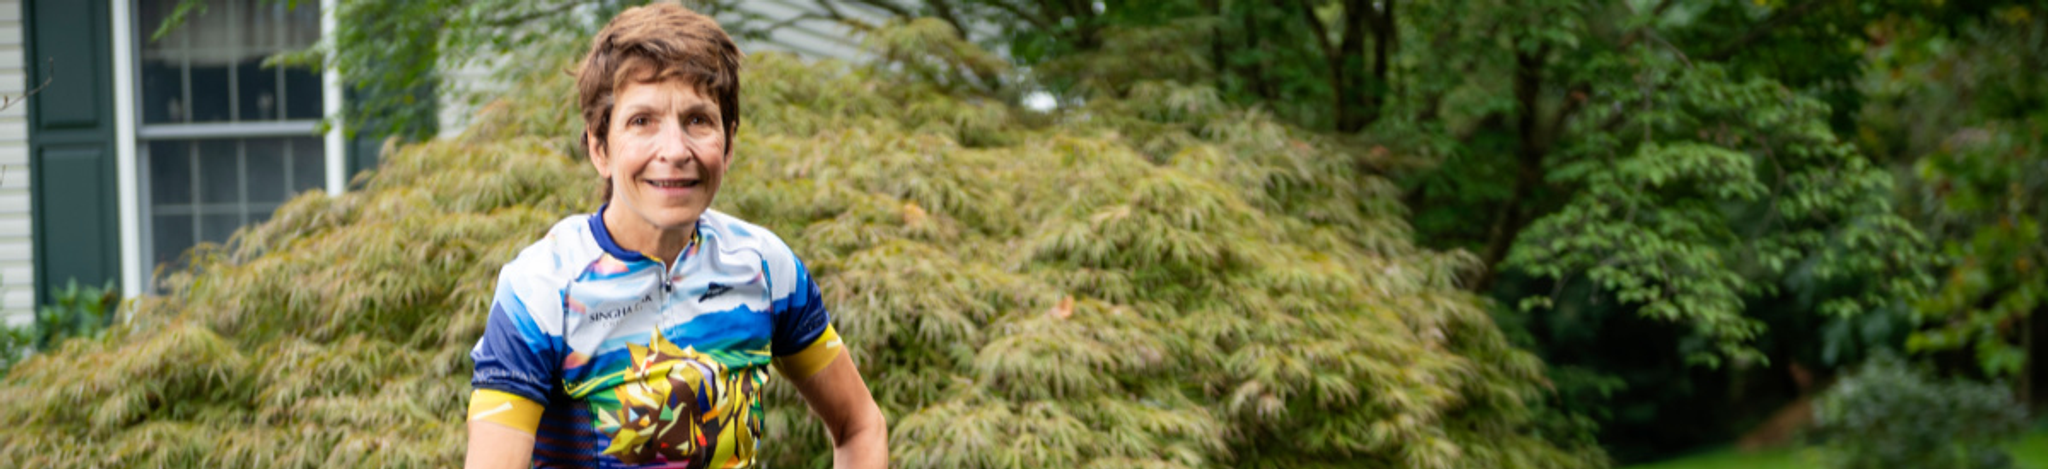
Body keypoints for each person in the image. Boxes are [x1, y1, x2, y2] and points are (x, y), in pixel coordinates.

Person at [463, 4, 886, 468]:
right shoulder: (541, 288)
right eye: (642, 121)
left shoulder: (765, 266)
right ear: (599, 147)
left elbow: (860, 424)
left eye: (698, 120)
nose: (674, 150)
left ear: (728, 144)